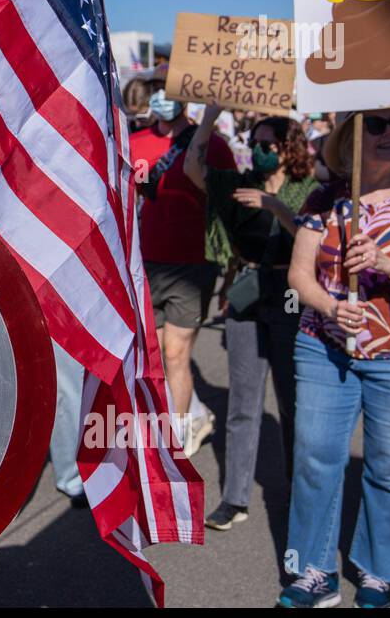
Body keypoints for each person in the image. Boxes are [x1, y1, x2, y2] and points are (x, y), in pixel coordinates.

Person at [280, 108, 390, 608]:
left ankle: (380, 572)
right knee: (315, 457)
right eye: (376, 123)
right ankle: (314, 569)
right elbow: (299, 277)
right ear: (351, 138)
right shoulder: (324, 200)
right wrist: (331, 306)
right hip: (325, 347)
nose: (388, 133)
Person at [183, 104, 318, 531]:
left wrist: (275, 206)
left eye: (267, 145)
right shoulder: (240, 184)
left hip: (290, 297)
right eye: (253, 143)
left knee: (293, 401)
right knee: (243, 402)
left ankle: (301, 493)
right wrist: (209, 117)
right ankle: (235, 498)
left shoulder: (309, 189)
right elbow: (193, 168)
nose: (258, 151)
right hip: (245, 296)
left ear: (287, 148)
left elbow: (317, 238)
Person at [129, 85, 235, 455]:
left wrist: (232, 268)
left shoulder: (214, 145)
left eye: (170, 91)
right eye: (157, 91)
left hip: (193, 265)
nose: (163, 98)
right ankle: (193, 411)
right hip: (147, 263)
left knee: (176, 353)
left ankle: (175, 436)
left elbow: (229, 203)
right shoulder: (134, 142)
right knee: (155, 353)